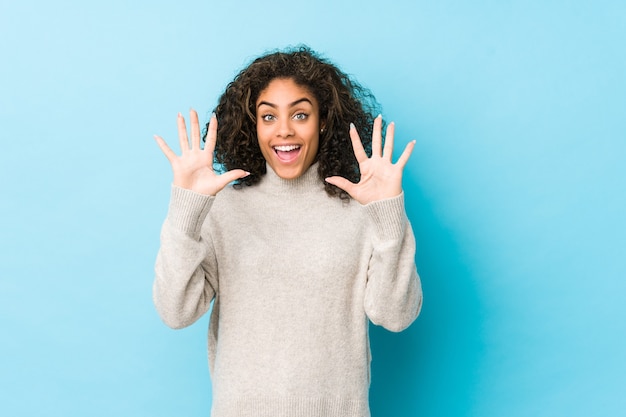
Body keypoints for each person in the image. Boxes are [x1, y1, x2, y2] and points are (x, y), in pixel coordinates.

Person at [153, 46, 423, 417]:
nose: (284, 130)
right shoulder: (222, 209)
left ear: (323, 121)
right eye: (268, 117)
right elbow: (175, 311)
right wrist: (185, 213)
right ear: (253, 125)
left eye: (300, 114)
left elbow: (396, 315)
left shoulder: (364, 208)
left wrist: (388, 215)